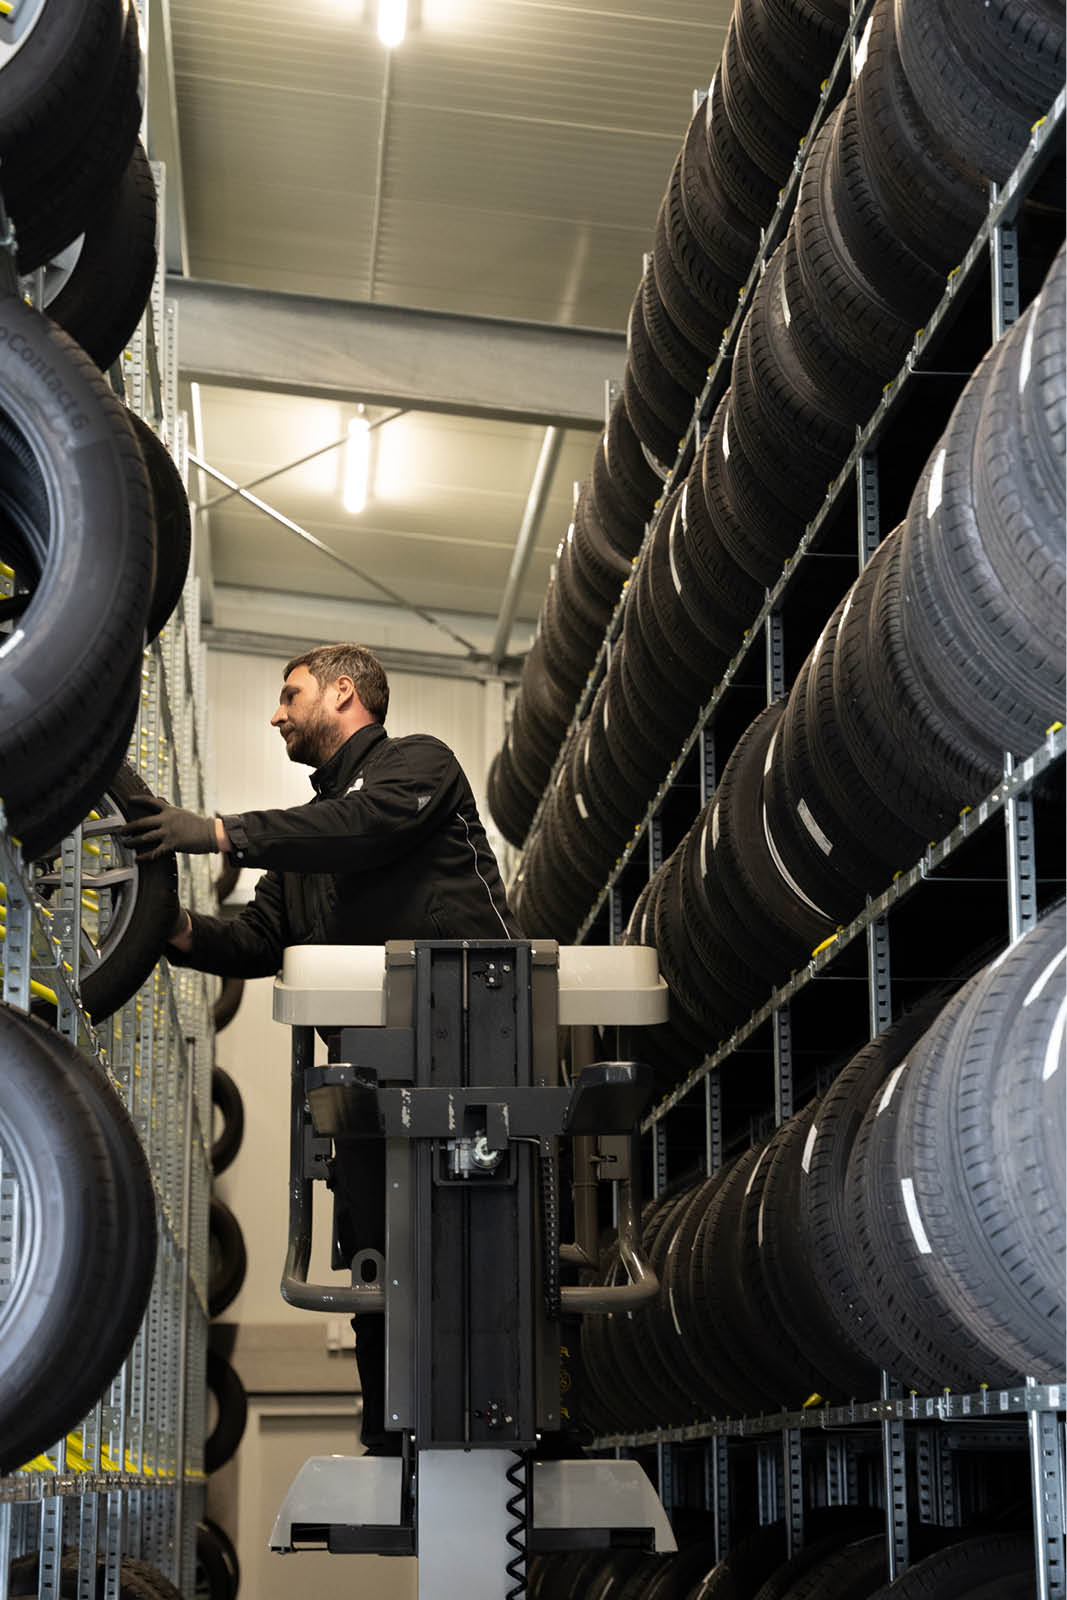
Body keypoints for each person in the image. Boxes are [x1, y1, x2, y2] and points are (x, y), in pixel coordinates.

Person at [119, 641, 522, 1451]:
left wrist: (222, 832)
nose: (275, 712)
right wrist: (169, 929)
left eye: (289, 694)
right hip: (370, 1078)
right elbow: (257, 941)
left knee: (484, 1242)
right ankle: (393, 1433)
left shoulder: (417, 766)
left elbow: (363, 826)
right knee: (377, 1257)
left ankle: (515, 1420)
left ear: (344, 694)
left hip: (472, 1049)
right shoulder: (306, 850)